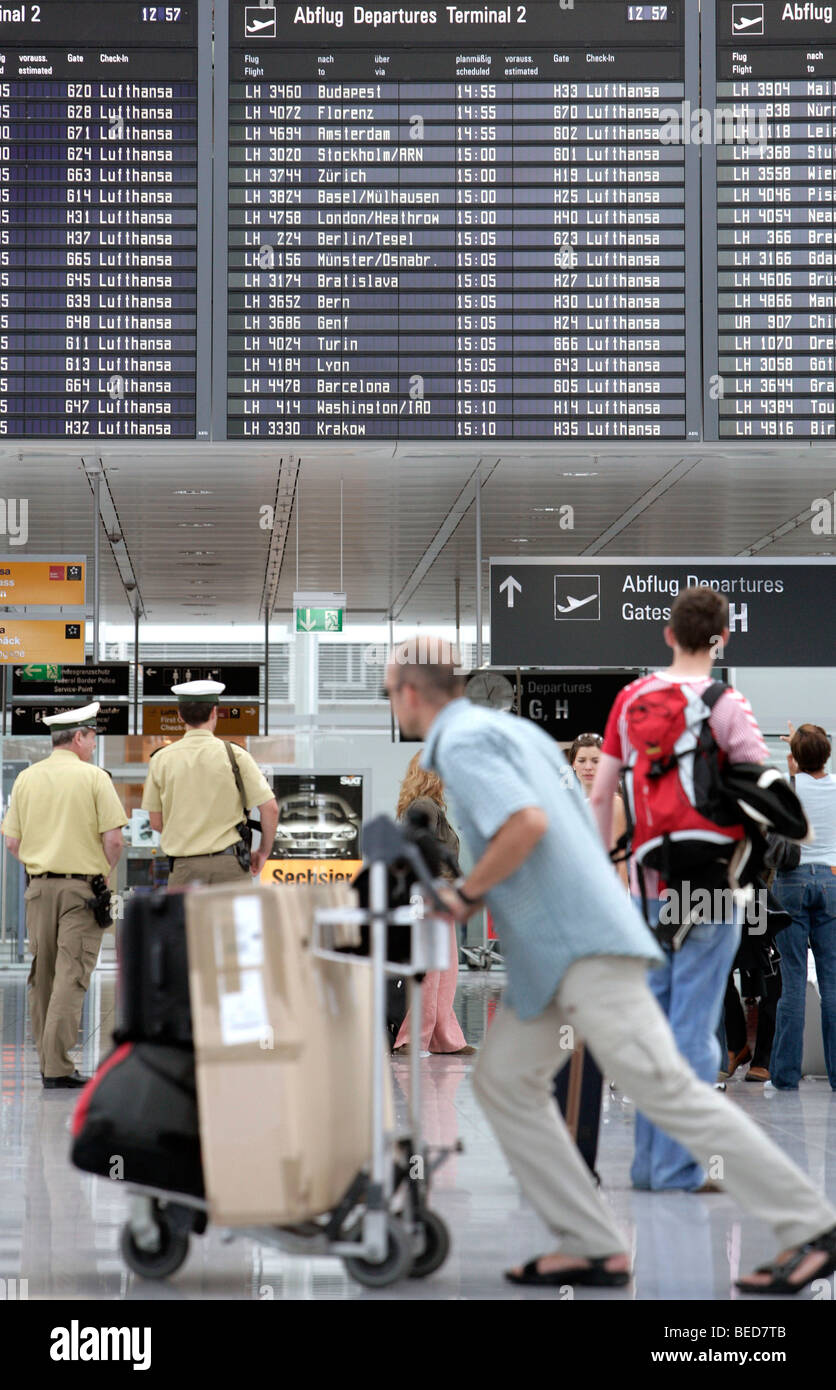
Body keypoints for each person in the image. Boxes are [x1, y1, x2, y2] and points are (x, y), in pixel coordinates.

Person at [383, 638, 836, 1293]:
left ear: (410, 694)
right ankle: (592, 1242)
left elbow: (527, 823)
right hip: (558, 951)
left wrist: (463, 895)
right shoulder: (515, 732)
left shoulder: (460, 742)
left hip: (580, 946)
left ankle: (811, 1224)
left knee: (665, 1089)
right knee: (504, 1079)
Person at [592, 589, 771, 1194]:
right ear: (724, 638)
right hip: (712, 892)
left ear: (666, 635)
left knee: (652, 1027)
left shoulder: (630, 700)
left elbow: (602, 796)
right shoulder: (727, 704)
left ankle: (648, 1164)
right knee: (694, 1029)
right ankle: (677, 1167)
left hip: (646, 888)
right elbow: (763, 790)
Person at [1, 703, 127, 1088]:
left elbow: (12, 843)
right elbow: (114, 840)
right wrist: (99, 874)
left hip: (38, 888)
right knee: (72, 976)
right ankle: (57, 1067)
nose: (93, 744)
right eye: (91, 737)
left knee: (44, 975)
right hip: (81, 889)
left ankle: (47, 1061)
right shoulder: (94, 778)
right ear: (78, 738)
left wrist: (43, 863)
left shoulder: (26, 779)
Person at [141, 680, 278, 887]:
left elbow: (156, 823)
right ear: (215, 712)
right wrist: (263, 852)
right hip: (230, 866)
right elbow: (270, 809)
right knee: (233, 921)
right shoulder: (235, 755)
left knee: (186, 921)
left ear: (179, 716)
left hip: (183, 869)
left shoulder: (161, 759)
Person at [392, 752, 474, 1058]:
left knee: (443, 970)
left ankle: (443, 1037)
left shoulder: (429, 806)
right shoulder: (425, 806)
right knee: (431, 970)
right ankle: (412, 1038)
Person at [769, 722, 836, 1092]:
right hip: (832, 879)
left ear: (794, 758)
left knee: (792, 982)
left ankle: (785, 1075)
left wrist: (792, 764)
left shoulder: (786, 787)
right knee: (833, 982)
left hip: (791, 881)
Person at [568, 733, 628, 889]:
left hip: (605, 886)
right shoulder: (569, 804)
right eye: (582, 761)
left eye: (595, 761)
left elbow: (620, 856)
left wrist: (621, 898)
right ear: (573, 763)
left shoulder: (613, 803)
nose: (588, 767)